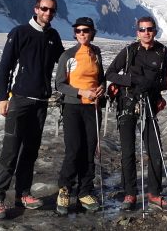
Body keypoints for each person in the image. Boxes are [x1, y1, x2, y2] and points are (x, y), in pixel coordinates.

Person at [0, 0, 65, 219]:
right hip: (20, 101)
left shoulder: (53, 36)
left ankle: (23, 193)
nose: (47, 13)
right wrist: (3, 97)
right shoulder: (20, 32)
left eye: (51, 10)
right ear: (36, 9)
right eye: (44, 9)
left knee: (30, 151)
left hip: (41, 103)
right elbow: (5, 68)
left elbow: (63, 64)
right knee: (10, 151)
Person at [106, 16, 167, 211]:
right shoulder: (128, 51)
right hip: (127, 104)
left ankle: (154, 193)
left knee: (155, 149)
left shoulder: (162, 52)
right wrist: (131, 80)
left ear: (155, 31)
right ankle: (130, 194)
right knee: (128, 151)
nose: (146, 32)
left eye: (149, 29)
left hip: (149, 104)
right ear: (137, 32)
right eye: (142, 29)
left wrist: (153, 85)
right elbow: (110, 73)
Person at [54, 17, 105, 215]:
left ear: (92, 33)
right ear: (75, 33)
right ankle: (65, 189)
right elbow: (59, 85)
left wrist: (102, 88)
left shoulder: (96, 53)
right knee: (74, 150)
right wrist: (81, 92)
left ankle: (85, 191)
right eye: (78, 30)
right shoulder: (68, 55)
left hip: (92, 108)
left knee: (90, 149)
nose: (82, 33)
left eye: (86, 30)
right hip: (73, 108)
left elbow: (101, 78)